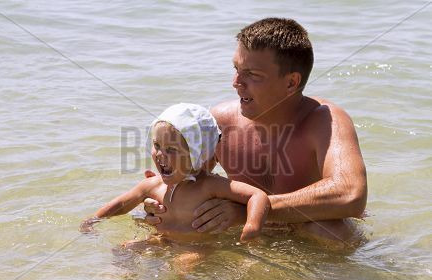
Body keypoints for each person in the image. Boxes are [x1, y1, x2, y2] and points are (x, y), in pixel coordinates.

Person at [142, 18, 368, 244]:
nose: (236, 82)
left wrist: (250, 211)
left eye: (252, 74)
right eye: (236, 69)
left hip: (304, 234)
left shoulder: (325, 121)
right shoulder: (220, 122)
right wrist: (161, 202)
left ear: (291, 83)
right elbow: (189, 180)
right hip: (250, 234)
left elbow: (350, 194)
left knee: (332, 231)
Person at [80, 103, 270, 242]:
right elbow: (122, 203)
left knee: (184, 268)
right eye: (156, 145)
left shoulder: (209, 186)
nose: (161, 154)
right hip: (160, 240)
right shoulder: (153, 185)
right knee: (125, 250)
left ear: (198, 153)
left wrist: (252, 227)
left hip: (196, 248)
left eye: (171, 149)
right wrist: (94, 220)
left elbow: (257, 195)